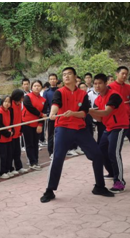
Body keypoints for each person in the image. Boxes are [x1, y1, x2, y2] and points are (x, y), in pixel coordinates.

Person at [41, 67, 114, 203]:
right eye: (64, 75)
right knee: (57, 158)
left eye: (69, 74)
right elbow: (56, 104)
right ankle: (50, 190)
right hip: (63, 128)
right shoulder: (59, 92)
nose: (66, 76)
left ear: (75, 77)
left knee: (97, 155)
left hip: (80, 129)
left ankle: (99, 186)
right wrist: (52, 113)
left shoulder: (83, 94)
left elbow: (84, 113)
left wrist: (73, 113)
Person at [89, 74, 130, 193]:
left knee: (114, 152)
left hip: (119, 126)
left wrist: (89, 110)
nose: (97, 86)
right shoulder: (97, 100)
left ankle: (119, 182)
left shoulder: (114, 96)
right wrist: (90, 112)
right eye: (95, 84)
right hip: (108, 128)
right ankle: (112, 173)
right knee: (100, 151)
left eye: (100, 83)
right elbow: (100, 119)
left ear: (106, 83)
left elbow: (106, 112)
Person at [22, 80, 47, 170]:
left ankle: (36, 161)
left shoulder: (43, 100)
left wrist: (40, 124)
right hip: (27, 123)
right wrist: (40, 115)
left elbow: (44, 113)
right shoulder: (27, 97)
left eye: (39, 86)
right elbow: (30, 108)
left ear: (41, 87)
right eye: (35, 86)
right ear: (31, 87)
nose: (37, 87)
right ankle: (32, 162)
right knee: (29, 144)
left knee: (35, 143)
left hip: (37, 124)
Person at [0, 96, 15, 179]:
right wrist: (8, 133)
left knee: (8, 154)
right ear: (2, 102)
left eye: (9, 102)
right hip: (0, 137)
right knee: (2, 155)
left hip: (8, 136)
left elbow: (10, 123)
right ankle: (1, 172)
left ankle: (7, 170)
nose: (7, 103)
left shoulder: (8, 111)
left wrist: (12, 131)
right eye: (5, 101)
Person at [10, 89, 27, 174]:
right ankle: (10, 168)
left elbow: (20, 117)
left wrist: (21, 128)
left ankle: (19, 167)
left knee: (17, 151)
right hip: (11, 132)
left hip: (17, 130)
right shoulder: (10, 104)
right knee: (10, 152)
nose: (22, 98)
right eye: (21, 97)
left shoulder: (20, 104)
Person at [43, 74, 59, 158]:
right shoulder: (46, 92)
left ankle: (60, 150)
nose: (52, 80)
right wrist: (49, 114)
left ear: (56, 80)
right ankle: (51, 152)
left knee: (60, 134)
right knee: (50, 135)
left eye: (54, 79)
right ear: (49, 81)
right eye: (51, 79)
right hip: (51, 116)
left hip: (60, 116)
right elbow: (45, 105)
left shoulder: (60, 90)